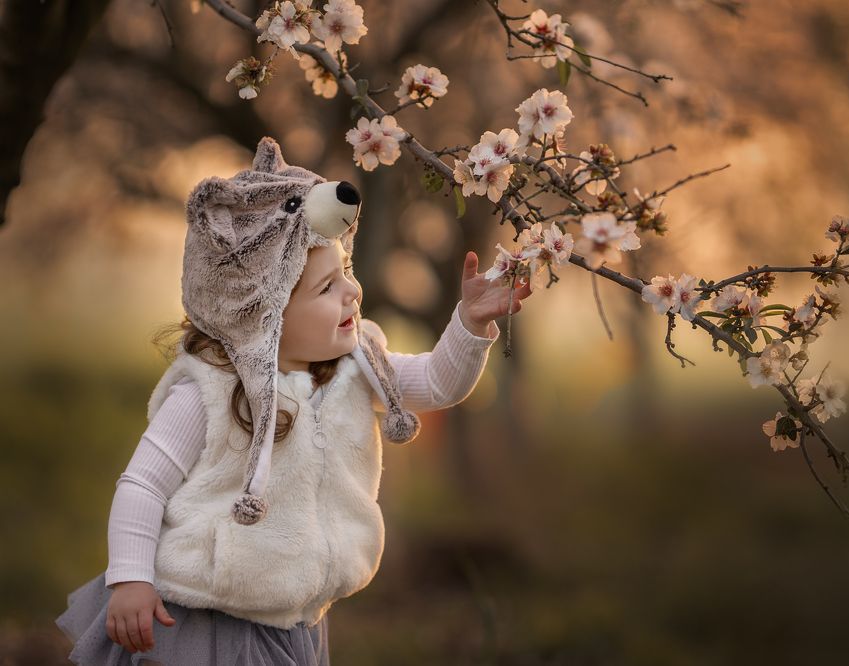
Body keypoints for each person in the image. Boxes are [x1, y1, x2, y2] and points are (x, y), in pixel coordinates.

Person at [55, 137, 532, 665]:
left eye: (346, 272)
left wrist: (470, 323)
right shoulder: (211, 391)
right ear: (266, 314)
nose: (352, 292)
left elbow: (439, 384)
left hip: (301, 621)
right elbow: (143, 484)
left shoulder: (358, 367)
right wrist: (130, 579)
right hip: (211, 623)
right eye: (327, 287)